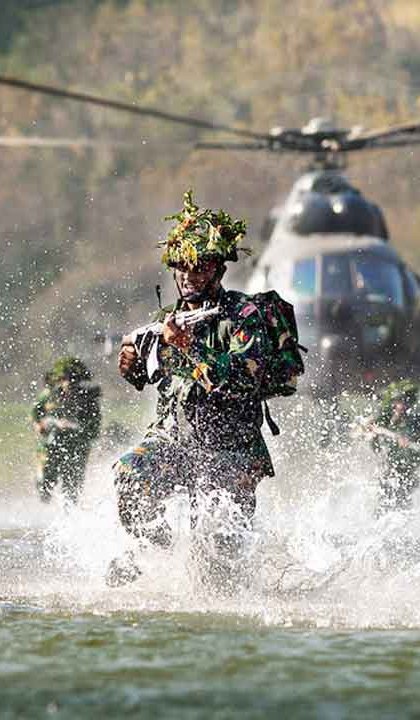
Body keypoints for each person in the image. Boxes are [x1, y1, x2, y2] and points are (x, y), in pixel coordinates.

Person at [113, 190, 299, 554]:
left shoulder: (244, 316)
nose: (189, 275)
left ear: (220, 269)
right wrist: (130, 363)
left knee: (218, 555)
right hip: (175, 441)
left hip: (231, 450)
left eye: (199, 266)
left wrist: (188, 347)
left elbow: (240, 380)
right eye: (181, 266)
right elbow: (144, 377)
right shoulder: (166, 320)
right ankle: (156, 555)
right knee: (129, 477)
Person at [32, 356, 102, 504]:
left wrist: (75, 428)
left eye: (74, 379)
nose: (69, 383)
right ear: (60, 380)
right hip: (51, 444)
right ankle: (44, 502)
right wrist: (40, 425)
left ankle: (69, 518)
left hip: (77, 447)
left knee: (72, 488)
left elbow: (94, 429)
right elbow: (36, 413)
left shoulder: (88, 401)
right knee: (45, 482)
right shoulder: (50, 395)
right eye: (66, 378)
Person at [365, 380, 420, 513]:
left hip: (407, 471)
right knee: (385, 498)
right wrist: (373, 436)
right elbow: (376, 447)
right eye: (398, 403)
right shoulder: (387, 421)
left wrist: (408, 445)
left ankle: (400, 520)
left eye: (404, 403)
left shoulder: (415, 425)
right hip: (390, 469)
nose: (400, 407)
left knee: (401, 501)